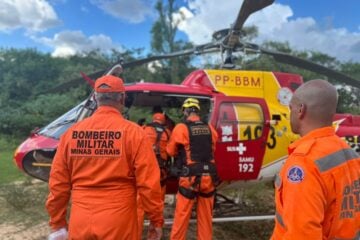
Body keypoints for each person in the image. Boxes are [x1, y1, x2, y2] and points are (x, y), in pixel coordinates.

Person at [46, 75, 164, 240]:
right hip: (118, 220)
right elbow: (149, 184)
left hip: (80, 220)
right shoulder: (134, 133)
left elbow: (58, 184)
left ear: (95, 97)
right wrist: (156, 220)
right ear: (122, 98)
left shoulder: (71, 133)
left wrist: (57, 223)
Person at [271, 79, 360, 240]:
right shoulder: (349, 154)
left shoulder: (304, 163)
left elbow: (303, 235)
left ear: (300, 110)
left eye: (290, 108)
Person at [167, 97, 218, 240]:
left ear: (185, 111)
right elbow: (213, 146)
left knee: (181, 217)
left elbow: (170, 151)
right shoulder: (210, 128)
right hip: (209, 177)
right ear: (197, 111)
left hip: (190, 178)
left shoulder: (181, 128)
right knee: (206, 220)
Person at [137, 112, 171, 239]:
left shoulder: (143, 129)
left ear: (153, 119)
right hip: (161, 174)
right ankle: (153, 235)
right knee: (158, 206)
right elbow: (171, 151)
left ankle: (135, 234)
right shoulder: (168, 133)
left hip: (145, 173)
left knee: (139, 207)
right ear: (163, 121)